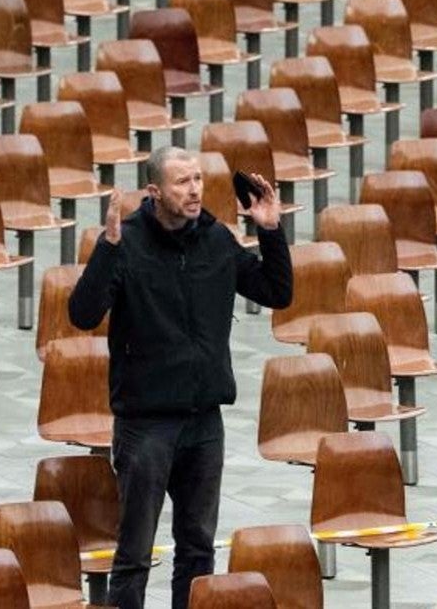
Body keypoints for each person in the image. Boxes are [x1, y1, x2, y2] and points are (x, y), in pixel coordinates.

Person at [68, 147, 293, 609]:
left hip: (204, 422)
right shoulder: (126, 243)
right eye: (181, 182)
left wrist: (269, 230)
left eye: (197, 180)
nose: (194, 190)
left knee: (197, 550)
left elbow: (277, 292)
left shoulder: (216, 240)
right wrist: (107, 249)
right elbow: (83, 313)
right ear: (154, 192)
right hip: (146, 426)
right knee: (133, 555)